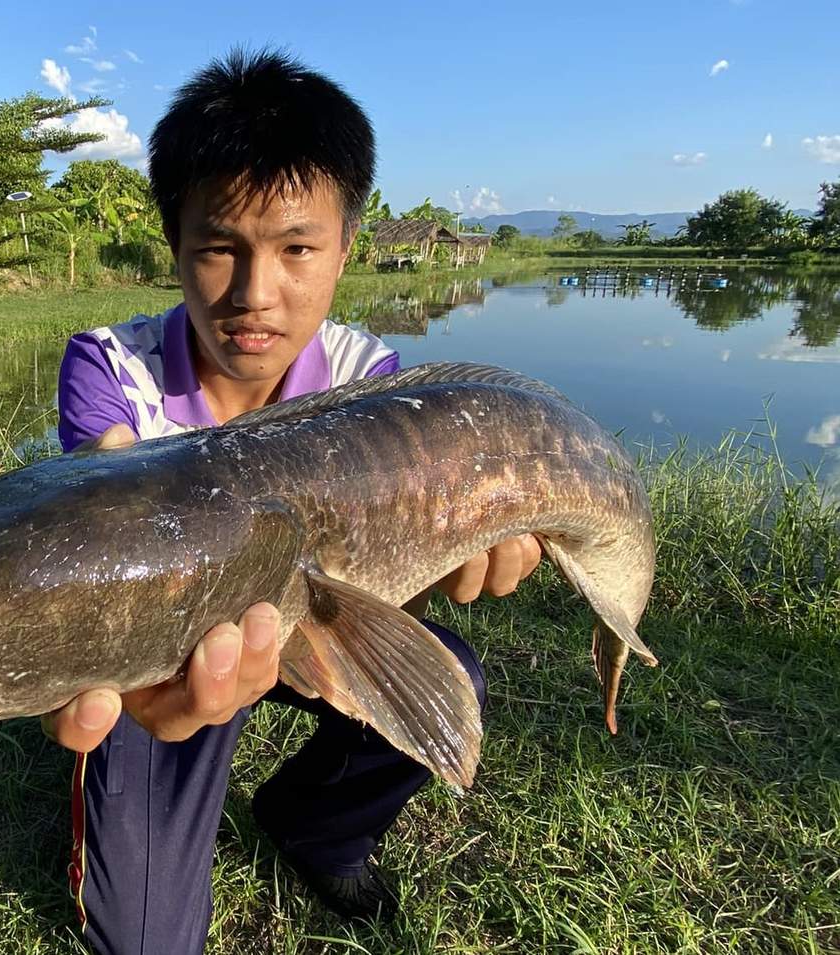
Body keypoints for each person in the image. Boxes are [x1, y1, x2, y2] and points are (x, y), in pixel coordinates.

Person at [44, 50, 541, 955]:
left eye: (296, 248)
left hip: (310, 625)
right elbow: (105, 500)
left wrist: (454, 549)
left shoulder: (375, 385)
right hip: (169, 665)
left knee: (450, 669)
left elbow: (386, 591)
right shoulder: (110, 366)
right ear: (176, 246)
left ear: (348, 247)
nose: (253, 294)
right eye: (219, 247)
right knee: (144, 943)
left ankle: (313, 822)